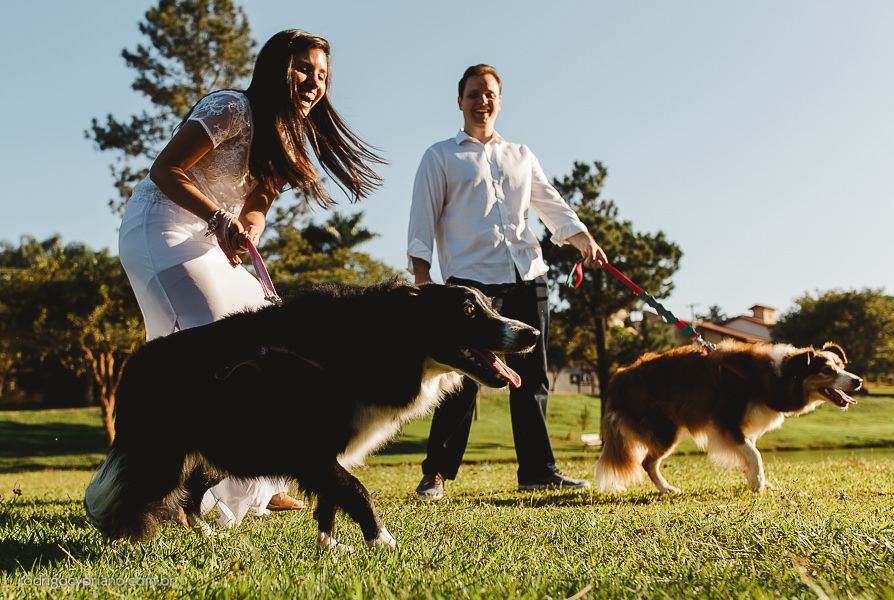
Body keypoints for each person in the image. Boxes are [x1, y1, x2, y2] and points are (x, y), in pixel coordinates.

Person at [118, 29, 384, 527]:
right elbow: (165, 170)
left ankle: (254, 483)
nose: (314, 82)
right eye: (304, 68)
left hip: (214, 238)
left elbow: (258, 202)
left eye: (323, 75)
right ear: (276, 68)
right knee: (209, 342)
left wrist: (249, 228)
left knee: (264, 334)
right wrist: (220, 219)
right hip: (162, 228)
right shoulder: (231, 108)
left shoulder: (289, 136)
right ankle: (173, 492)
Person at [407, 64, 608, 499]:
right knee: (463, 379)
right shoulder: (440, 156)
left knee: (532, 377)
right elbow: (422, 217)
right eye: (475, 93)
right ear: (460, 101)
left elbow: (549, 202)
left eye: (491, 93)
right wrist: (422, 275)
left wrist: (582, 238)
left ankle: (538, 470)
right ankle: (437, 472)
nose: (483, 100)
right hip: (470, 283)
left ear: (500, 100)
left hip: (527, 275)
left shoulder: (521, 154)